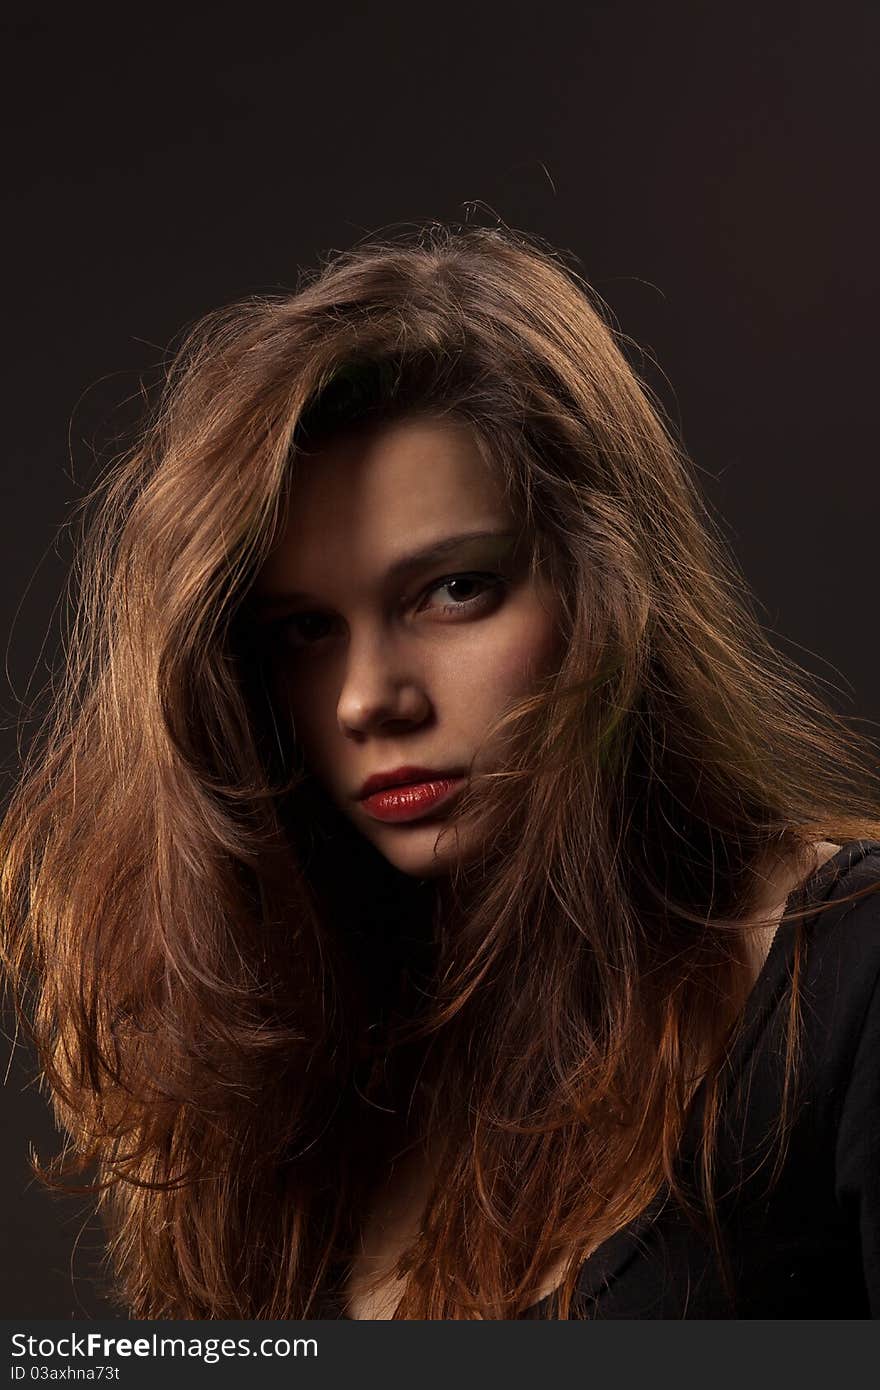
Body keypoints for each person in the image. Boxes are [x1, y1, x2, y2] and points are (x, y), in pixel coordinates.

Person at [2, 223, 880, 1320]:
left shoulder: (846, 977)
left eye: (452, 591)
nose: (371, 698)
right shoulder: (307, 1081)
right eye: (303, 632)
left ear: (606, 590)